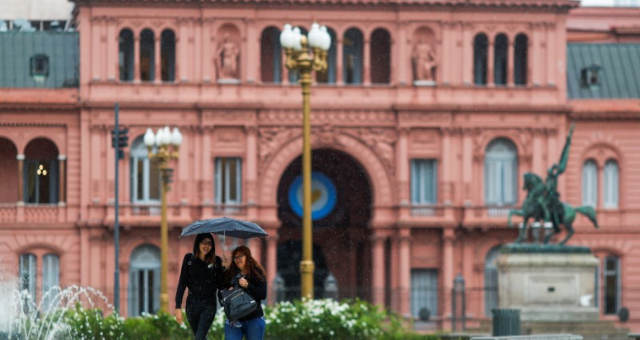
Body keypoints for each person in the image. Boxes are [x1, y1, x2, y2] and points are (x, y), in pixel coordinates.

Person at [175, 233, 225, 340]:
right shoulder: (189, 259)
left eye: (209, 243)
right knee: (200, 337)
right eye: (203, 243)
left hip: (208, 305)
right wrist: (178, 307)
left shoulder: (216, 261)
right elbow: (182, 283)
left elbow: (221, 285)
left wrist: (224, 270)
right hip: (191, 305)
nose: (206, 246)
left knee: (199, 337)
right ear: (198, 243)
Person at [222, 245, 267, 340]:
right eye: (235, 257)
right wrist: (227, 290)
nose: (238, 259)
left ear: (247, 257)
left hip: (254, 318)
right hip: (234, 320)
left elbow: (262, 294)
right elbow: (221, 296)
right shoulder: (229, 274)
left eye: (241, 256)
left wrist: (248, 286)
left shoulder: (257, 273)